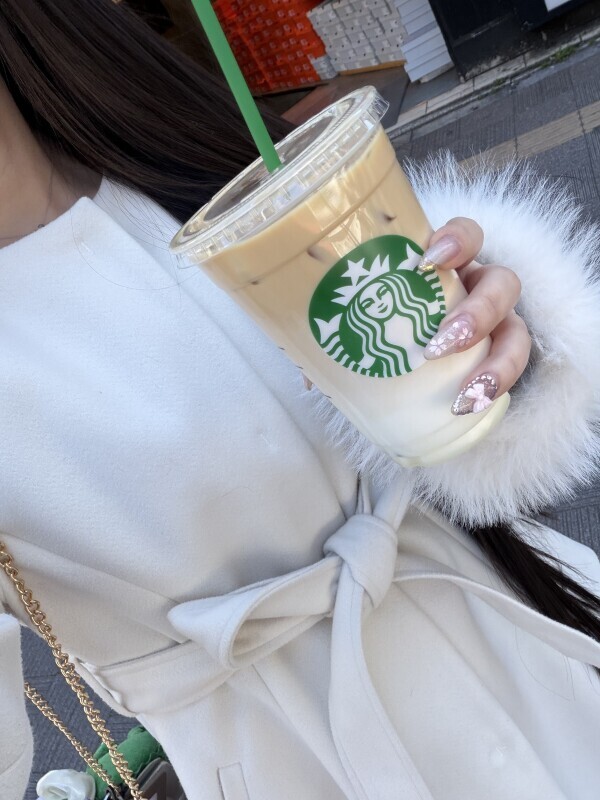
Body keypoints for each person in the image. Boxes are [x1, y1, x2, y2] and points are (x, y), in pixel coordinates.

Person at [1, 2, 600, 799]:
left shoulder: (157, 132)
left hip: (522, 643)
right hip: (300, 764)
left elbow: (451, 438)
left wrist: (488, 340)